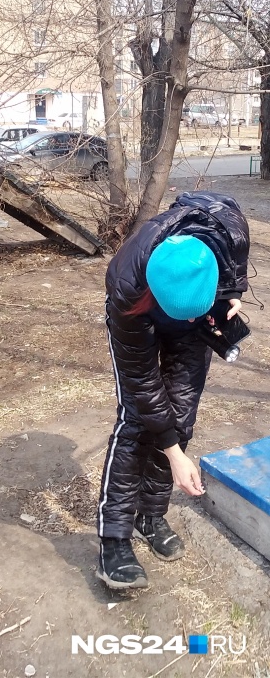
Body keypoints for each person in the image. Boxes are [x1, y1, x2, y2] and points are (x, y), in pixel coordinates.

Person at [96, 192, 250, 589]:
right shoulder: (127, 284)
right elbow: (144, 386)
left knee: (181, 415)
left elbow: (236, 269)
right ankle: (114, 539)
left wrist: (231, 294)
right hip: (141, 316)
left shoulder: (229, 233)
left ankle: (152, 514)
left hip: (192, 313)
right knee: (136, 421)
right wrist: (174, 453)